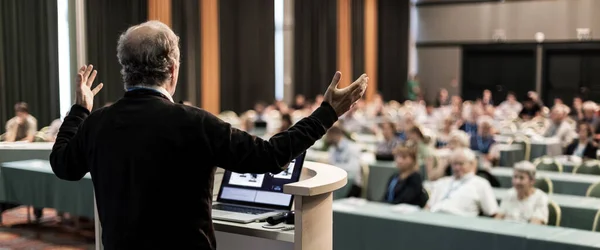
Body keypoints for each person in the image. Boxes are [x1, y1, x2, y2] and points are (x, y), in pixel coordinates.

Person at [49, 21, 368, 249]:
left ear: (124, 69)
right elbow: (271, 156)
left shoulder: (98, 123)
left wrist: (80, 109)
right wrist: (328, 113)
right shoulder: (195, 123)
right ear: (173, 69)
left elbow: (63, 164)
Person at [426, 148, 498, 217]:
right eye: (454, 164)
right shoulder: (442, 182)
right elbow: (428, 207)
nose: (457, 168)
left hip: (460, 223)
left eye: (461, 164)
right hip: (433, 219)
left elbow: (492, 212)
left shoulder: (481, 184)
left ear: (472, 164)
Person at [325, 125, 363, 198]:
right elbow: (331, 164)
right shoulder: (332, 148)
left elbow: (353, 168)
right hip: (337, 182)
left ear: (337, 135)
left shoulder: (352, 147)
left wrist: (335, 167)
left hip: (352, 185)